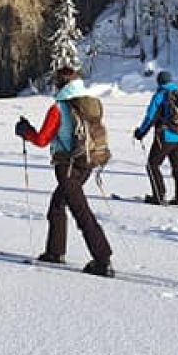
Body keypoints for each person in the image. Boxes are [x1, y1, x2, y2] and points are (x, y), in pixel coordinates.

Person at [15, 66, 114, 277]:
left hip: (66, 166)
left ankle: (102, 259)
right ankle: (54, 252)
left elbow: (42, 140)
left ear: (60, 85)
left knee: (81, 212)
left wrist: (25, 131)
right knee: (57, 206)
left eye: (55, 84)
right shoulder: (91, 103)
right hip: (86, 163)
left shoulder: (58, 108)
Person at [133, 70, 178, 205]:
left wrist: (141, 133)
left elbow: (150, 117)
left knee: (152, 165)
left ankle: (158, 196)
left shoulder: (160, 95)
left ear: (159, 82)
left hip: (165, 137)